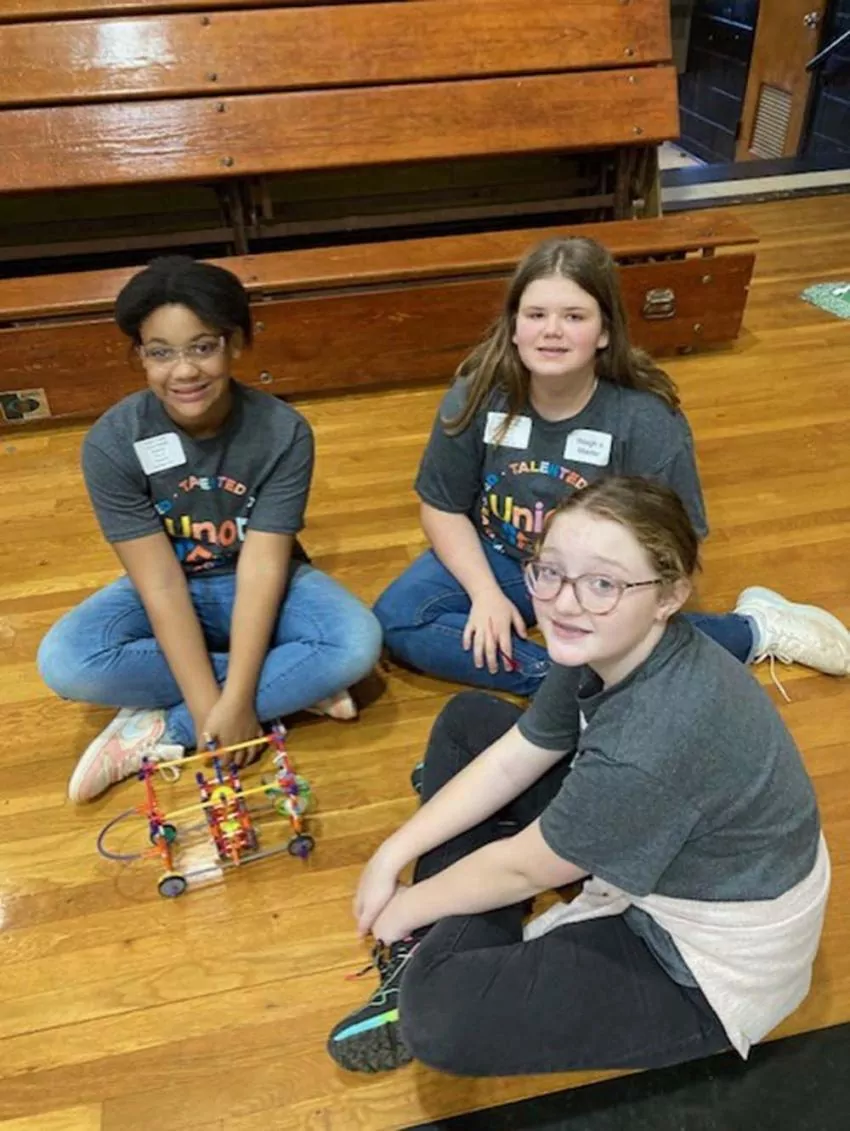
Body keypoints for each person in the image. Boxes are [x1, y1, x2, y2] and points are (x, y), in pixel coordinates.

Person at [327, 477, 830, 1077]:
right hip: (671, 850)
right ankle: (444, 935)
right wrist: (391, 854)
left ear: (669, 595)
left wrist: (408, 907)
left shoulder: (651, 738)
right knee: (468, 724)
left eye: (603, 584)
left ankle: (431, 947)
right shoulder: (607, 642)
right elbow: (520, 751)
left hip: (705, 964)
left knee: (439, 1015)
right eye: (550, 572)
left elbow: (527, 868)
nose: (565, 603)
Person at [374, 237, 849, 697]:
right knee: (398, 618)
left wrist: (602, 597)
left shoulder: (646, 420)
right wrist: (485, 595)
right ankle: (565, 682)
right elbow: (441, 506)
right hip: (504, 555)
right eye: (536, 315)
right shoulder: (477, 395)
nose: (552, 330)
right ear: (514, 327)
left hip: (604, 570)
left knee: (633, 634)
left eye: (574, 316)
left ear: (604, 331)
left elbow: (674, 548)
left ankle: (755, 628)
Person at [38, 256, 383, 803]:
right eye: (160, 352)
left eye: (202, 347)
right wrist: (212, 705)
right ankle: (294, 684)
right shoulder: (112, 442)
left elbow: (263, 565)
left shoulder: (283, 431)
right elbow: (159, 582)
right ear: (139, 355)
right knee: (65, 661)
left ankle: (156, 728)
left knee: (356, 643)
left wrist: (235, 704)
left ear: (236, 343)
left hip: (260, 579)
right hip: (174, 584)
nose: (184, 372)